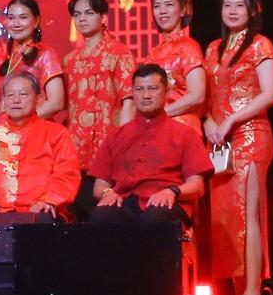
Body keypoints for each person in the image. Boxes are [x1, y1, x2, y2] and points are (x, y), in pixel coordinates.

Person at [203, 0, 273, 295]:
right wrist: (208, 121)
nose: (232, 11)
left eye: (240, 6)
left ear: (253, 11)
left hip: (250, 135)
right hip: (220, 142)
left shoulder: (260, 45)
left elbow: (270, 93)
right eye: (227, 5)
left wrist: (233, 118)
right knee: (226, 218)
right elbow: (206, 96)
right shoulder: (213, 48)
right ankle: (237, 294)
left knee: (248, 215)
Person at [88, 64, 212, 219]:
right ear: (132, 93)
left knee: (154, 217)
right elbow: (100, 185)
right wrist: (107, 193)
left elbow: (197, 186)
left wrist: (173, 191)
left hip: (165, 203)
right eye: (139, 89)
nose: (146, 95)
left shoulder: (185, 134)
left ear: (167, 92)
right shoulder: (115, 136)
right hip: (124, 202)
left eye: (153, 89)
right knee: (101, 216)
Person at [0, 72, 80, 216]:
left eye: (23, 94)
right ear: (4, 100)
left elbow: (66, 172)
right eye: (10, 95)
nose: (16, 100)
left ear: (38, 99)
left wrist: (49, 200)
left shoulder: (57, 133)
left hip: (42, 210)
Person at [64, 0, 138, 168]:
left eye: (89, 13)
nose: (82, 18)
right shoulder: (69, 60)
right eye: (77, 14)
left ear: (103, 17)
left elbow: (129, 102)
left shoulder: (119, 53)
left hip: (110, 147)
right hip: (76, 151)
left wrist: (123, 143)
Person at [145, 0, 207, 129]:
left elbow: (197, 95)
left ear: (183, 9)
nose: (162, 11)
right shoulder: (153, 53)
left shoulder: (189, 47)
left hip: (182, 127)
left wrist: (161, 114)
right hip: (157, 128)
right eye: (157, 6)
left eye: (169, 5)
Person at [0, 0, 66, 119]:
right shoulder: (6, 56)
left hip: (33, 128)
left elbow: (56, 102)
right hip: (3, 129)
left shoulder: (45, 54)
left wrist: (23, 123)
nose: (16, 24)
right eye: (11, 18)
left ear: (36, 21)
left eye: (23, 17)